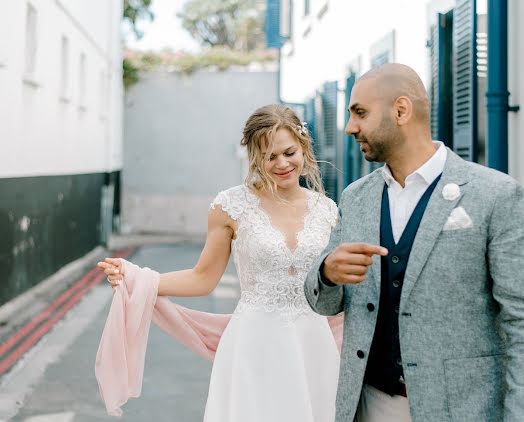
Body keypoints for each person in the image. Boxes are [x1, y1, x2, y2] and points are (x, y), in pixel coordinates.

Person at [304, 63, 524, 422]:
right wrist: (327, 273)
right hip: (367, 405)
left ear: (401, 110)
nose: (350, 128)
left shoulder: (496, 196)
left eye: (360, 113)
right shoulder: (356, 197)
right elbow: (325, 302)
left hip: (462, 410)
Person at [98, 104, 342, 421]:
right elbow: (203, 278)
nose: (282, 164)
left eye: (289, 152)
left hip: (314, 345)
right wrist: (137, 279)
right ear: (254, 158)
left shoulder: (327, 209)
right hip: (255, 343)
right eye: (269, 156)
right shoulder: (230, 206)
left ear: (304, 146)